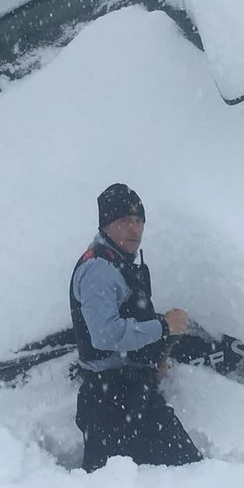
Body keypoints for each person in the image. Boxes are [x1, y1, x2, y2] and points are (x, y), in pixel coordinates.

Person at [69, 183, 203, 472]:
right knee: (183, 477)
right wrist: (164, 327)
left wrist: (153, 356)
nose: (134, 229)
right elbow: (106, 335)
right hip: (109, 403)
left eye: (139, 221)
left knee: (181, 478)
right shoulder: (98, 271)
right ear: (106, 225)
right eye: (124, 221)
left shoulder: (120, 263)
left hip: (129, 394)